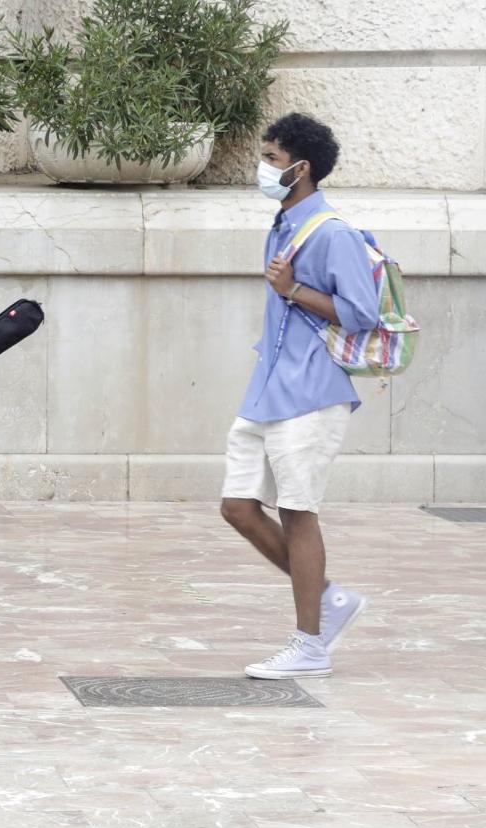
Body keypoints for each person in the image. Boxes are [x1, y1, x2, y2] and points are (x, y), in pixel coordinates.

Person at [220, 112, 377, 680]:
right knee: (237, 506)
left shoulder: (334, 233)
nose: (262, 168)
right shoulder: (282, 223)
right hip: (268, 388)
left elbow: (363, 315)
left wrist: (295, 290)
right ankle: (330, 597)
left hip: (312, 391)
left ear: (301, 169)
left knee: (297, 510)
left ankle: (310, 646)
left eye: (272, 159)